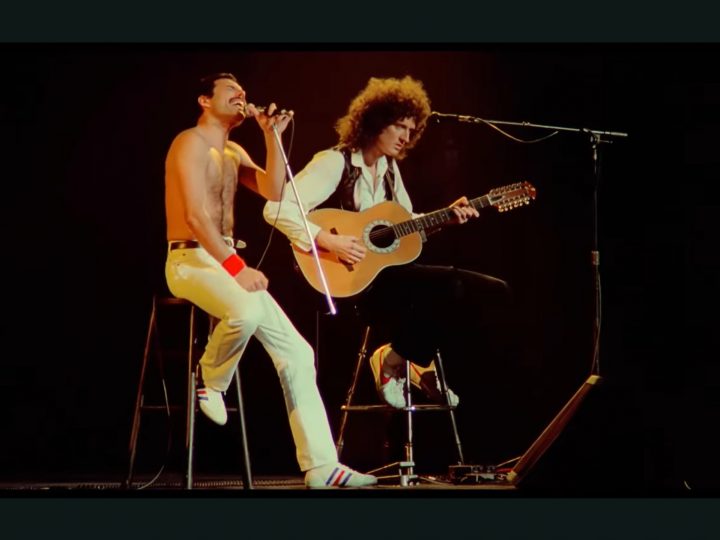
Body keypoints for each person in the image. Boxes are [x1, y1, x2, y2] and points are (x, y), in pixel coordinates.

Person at [164, 72, 376, 488]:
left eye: (243, 91)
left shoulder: (234, 151)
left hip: (223, 261)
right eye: (230, 90)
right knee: (244, 311)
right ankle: (210, 379)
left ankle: (321, 466)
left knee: (297, 352)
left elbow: (275, 193)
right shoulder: (189, 142)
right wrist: (236, 267)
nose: (241, 95)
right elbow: (194, 216)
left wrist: (271, 136)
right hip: (190, 261)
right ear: (204, 100)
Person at [264, 76, 511, 409]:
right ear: (375, 121)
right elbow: (276, 209)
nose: (406, 137)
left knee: (491, 291)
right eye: (399, 126)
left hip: (389, 279)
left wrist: (446, 218)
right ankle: (406, 360)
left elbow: (405, 226)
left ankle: (403, 356)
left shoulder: (390, 169)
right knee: (451, 287)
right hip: (348, 281)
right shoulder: (335, 162)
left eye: (411, 130)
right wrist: (328, 240)